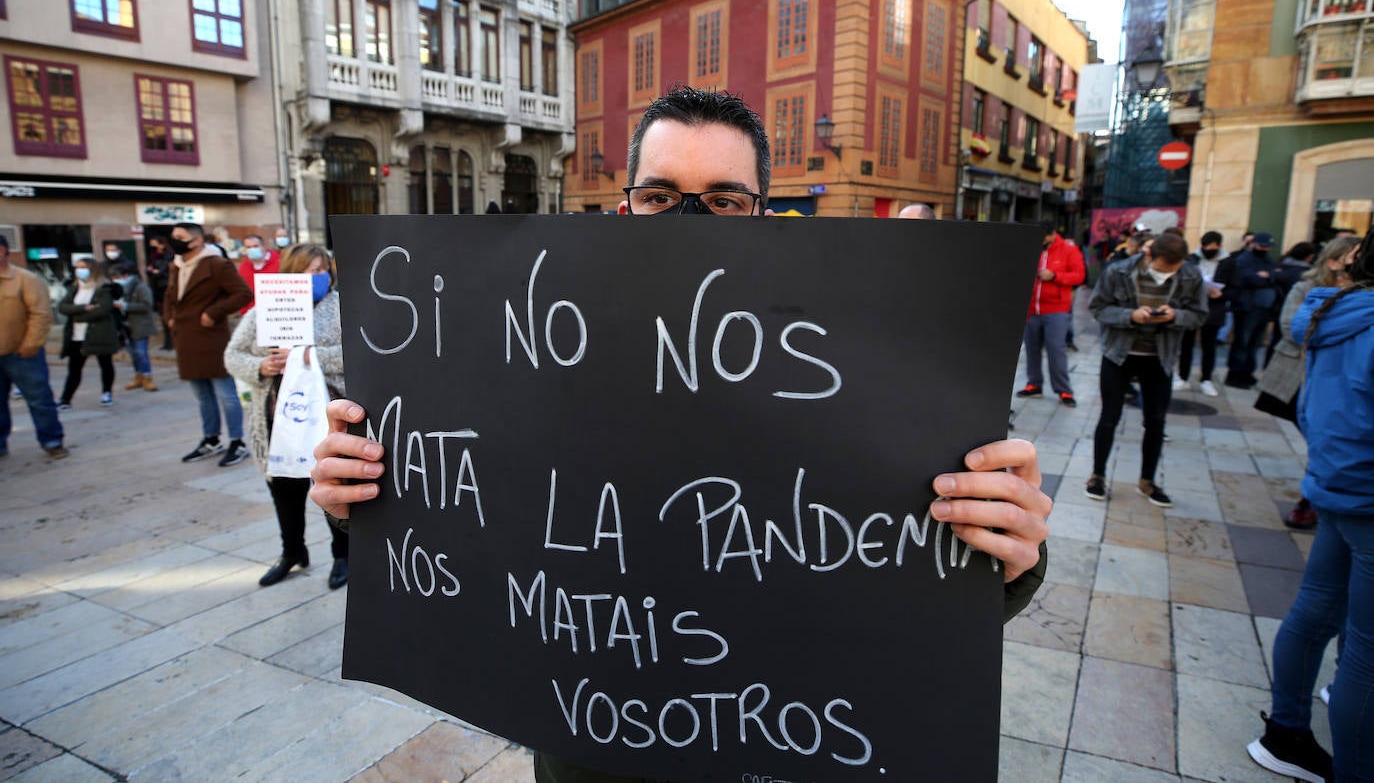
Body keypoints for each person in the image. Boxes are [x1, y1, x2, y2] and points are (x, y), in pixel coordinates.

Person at [307, 87, 1053, 783]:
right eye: (663, 195)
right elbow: (481, 524)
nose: (689, 222)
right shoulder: (533, 343)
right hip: (593, 747)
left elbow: (903, 570)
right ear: (627, 207)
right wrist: (370, 499)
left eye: (724, 199)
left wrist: (1005, 555)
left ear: (763, 213)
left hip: (781, 742)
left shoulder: (849, 365)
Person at [1247, 232, 1374, 783]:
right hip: (1362, 489)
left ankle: (1287, 731)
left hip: (1338, 479)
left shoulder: (1333, 308)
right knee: (1364, 660)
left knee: (1317, 613)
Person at [225, 244, 349, 589]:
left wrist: (310, 355)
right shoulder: (267, 308)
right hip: (276, 418)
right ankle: (292, 551)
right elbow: (233, 354)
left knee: (332, 488)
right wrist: (261, 366)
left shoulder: (341, 308)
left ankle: (343, 555)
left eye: (321, 269)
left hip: (325, 416)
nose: (316, 277)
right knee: (284, 489)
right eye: (308, 270)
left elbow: (358, 350)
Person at [1084, 233, 1208, 507]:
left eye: (1173, 270)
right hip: (1118, 355)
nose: (1168, 274)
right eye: (1164, 268)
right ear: (1149, 255)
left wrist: (1175, 316)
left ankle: (1147, 481)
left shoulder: (1191, 275)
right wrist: (1130, 315)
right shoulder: (1118, 270)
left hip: (1159, 357)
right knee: (1109, 417)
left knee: (1156, 421)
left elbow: (1199, 315)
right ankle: (1097, 476)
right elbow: (1098, 307)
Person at [1255, 236, 1361, 530]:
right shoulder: (1307, 288)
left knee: (1326, 441)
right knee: (1320, 440)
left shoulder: (1363, 293)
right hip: (1300, 377)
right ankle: (1312, 497)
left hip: (1340, 380)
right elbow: (1292, 328)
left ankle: (1314, 496)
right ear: (1333, 261)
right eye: (1353, 257)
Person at [163, 222, 253, 466]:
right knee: (202, 395)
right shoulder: (176, 265)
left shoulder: (216, 264)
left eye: (180, 237)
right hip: (186, 338)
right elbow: (170, 297)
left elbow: (243, 293)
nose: (175, 241)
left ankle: (237, 441)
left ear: (196, 240)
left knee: (226, 394)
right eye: (174, 237)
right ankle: (211, 438)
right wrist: (169, 318)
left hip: (210, 338)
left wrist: (214, 312)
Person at [0, 235, 67, 459]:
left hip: (22, 353)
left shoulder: (25, 279)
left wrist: (30, 345)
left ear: (4, 251)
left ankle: (51, 440)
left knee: (39, 398)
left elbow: (41, 315)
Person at [1015, 221, 1086, 407]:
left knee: (1056, 349)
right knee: (1031, 348)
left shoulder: (1069, 251)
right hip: (1031, 309)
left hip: (1056, 309)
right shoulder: (1033, 248)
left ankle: (1064, 390)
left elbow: (1079, 276)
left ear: (1052, 234)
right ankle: (1034, 384)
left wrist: (1054, 275)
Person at [57, 258, 120, 409]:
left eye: (83, 267)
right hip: (77, 335)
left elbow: (103, 309)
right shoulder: (74, 287)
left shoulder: (104, 288)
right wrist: (83, 308)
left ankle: (106, 393)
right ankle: (66, 399)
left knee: (105, 364)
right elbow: (63, 307)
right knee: (74, 369)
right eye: (77, 267)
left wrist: (77, 315)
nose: (79, 270)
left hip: (99, 333)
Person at [1224, 231, 1279, 389]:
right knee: (1242, 342)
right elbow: (1248, 279)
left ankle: (1247, 373)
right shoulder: (1244, 259)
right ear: (1254, 244)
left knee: (1254, 343)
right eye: (1262, 245)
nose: (1265, 249)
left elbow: (1277, 274)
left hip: (1263, 308)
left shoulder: (1266, 260)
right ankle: (1235, 374)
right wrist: (1267, 277)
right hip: (1247, 308)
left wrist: (1268, 276)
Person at [1176, 231, 1228, 396]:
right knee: (1186, 345)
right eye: (1205, 246)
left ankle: (1206, 379)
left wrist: (1222, 294)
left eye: (1212, 247)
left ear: (1219, 246)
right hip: (1191, 308)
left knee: (1208, 346)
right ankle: (1183, 377)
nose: (1208, 249)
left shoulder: (1228, 263)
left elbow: (1236, 288)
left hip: (1214, 309)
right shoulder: (1192, 259)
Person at [1265, 242, 1318, 367]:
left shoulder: (1280, 267)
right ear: (1309, 257)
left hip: (1276, 306)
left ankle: (1268, 366)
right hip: (1288, 309)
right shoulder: (1304, 274)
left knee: (1276, 340)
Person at [109, 262, 159, 392]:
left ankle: (147, 377)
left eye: (117, 276)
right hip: (125, 327)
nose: (115, 280)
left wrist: (125, 306)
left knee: (141, 353)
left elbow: (147, 305)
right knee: (133, 354)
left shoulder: (140, 287)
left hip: (140, 325)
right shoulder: (117, 288)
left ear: (126, 275)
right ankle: (139, 375)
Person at [236, 234, 281, 315]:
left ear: (263, 246)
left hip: (276, 312)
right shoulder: (244, 267)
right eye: (248, 247)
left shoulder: (279, 262)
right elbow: (241, 292)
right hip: (251, 313)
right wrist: (245, 311)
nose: (252, 249)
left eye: (255, 246)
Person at [146, 236, 175, 350]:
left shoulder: (168, 256)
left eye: (155, 244)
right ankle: (168, 342)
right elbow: (150, 271)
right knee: (163, 316)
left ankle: (171, 341)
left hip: (165, 288)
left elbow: (161, 271)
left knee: (168, 315)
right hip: (157, 288)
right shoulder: (154, 257)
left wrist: (155, 272)